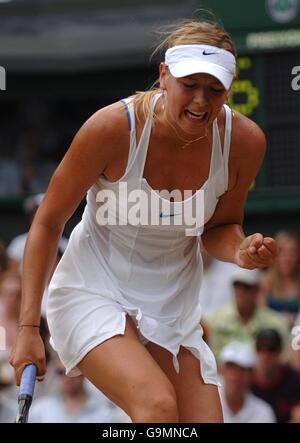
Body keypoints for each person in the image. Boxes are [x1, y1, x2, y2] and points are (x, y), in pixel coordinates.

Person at [9, 19, 277, 423]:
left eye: (214, 89)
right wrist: (29, 327)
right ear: (163, 76)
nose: (201, 101)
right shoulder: (111, 128)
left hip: (172, 308)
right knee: (158, 408)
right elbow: (48, 222)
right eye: (190, 85)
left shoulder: (244, 141)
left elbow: (219, 228)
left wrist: (240, 250)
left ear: (231, 86)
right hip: (92, 290)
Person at [205, 268, 289, 361]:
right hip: (221, 374)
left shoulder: (277, 323)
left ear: (257, 289)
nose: (240, 291)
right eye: (237, 285)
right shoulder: (212, 321)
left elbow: (284, 360)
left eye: (246, 286)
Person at [218, 341, 276, 423]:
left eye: (242, 370)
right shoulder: (205, 404)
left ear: (252, 375)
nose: (236, 376)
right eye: (231, 368)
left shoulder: (263, 413)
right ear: (221, 370)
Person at [251, 328, 300, 423]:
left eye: (271, 349)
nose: (265, 355)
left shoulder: (294, 380)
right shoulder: (246, 379)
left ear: (280, 352)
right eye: (260, 348)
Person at [258, 231, 300, 327]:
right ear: (274, 254)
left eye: (292, 252)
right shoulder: (265, 280)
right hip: (270, 333)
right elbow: (259, 314)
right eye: (282, 252)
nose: (287, 258)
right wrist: (281, 319)